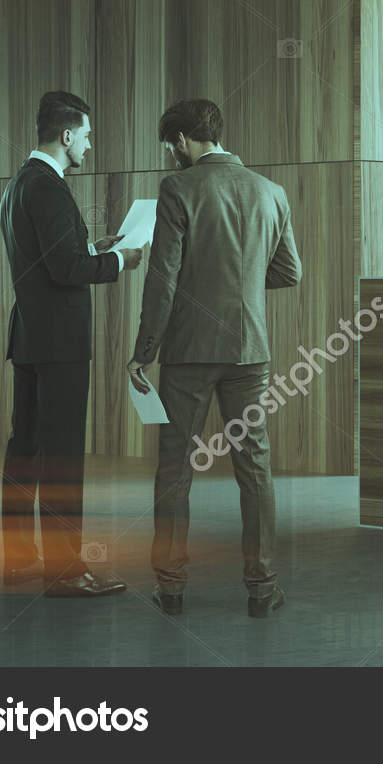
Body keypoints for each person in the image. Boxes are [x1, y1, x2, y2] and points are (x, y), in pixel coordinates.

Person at [127, 99, 301, 617]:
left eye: (168, 146)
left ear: (181, 141)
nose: (168, 155)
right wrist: (240, 283)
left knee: (175, 468)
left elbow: (162, 281)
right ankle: (262, 587)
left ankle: (173, 587)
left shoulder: (178, 189)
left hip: (188, 353)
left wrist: (143, 353)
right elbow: (289, 271)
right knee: (255, 466)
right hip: (250, 351)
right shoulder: (271, 192)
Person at [0, 90, 142, 596]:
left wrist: (90, 247)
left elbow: (49, 258)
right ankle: (64, 572)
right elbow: (65, 271)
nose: (88, 142)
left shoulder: (18, 184)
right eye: (85, 134)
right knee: (61, 458)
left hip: (30, 338)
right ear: (66, 135)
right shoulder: (52, 188)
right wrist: (120, 262)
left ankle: (18, 560)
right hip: (60, 344)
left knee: (25, 451)